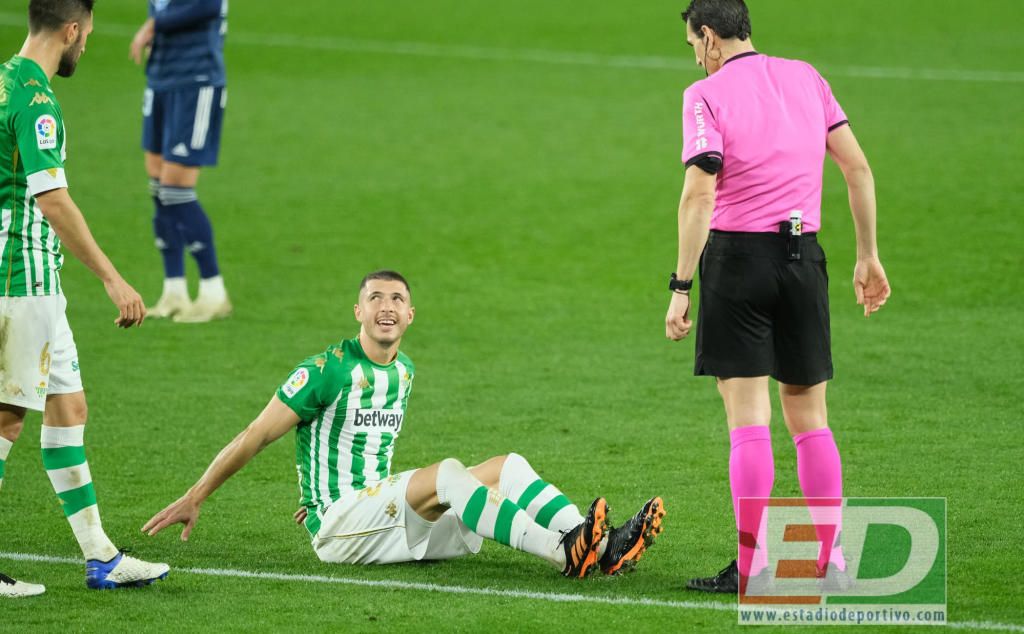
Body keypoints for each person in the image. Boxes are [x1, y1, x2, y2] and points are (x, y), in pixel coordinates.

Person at [144, 270, 665, 577]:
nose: (386, 307)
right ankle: (563, 553)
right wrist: (196, 495)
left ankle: (598, 547)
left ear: (411, 315)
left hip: (380, 518)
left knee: (507, 466)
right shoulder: (325, 370)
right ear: (358, 311)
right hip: (339, 526)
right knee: (449, 474)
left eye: (396, 299)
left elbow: (363, 447)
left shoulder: (405, 371)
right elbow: (255, 435)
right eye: (375, 298)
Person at [664, 0, 891, 594]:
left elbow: (699, 195)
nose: (695, 58)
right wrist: (867, 255)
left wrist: (681, 286)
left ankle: (752, 568)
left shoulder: (704, 94)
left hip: (738, 264)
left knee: (748, 421)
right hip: (803, 261)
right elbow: (858, 170)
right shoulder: (807, 77)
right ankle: (831, 564)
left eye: (693, 45)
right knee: (811, 419)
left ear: (709, 37)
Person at [0, 0, 170, 597]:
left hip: (37, 280)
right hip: (19, 276)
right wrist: (112, 278)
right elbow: (52, 200)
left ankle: (101, 556)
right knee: (6, 417)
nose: (87, 45)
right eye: (88, 34)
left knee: (68, 409)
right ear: (71, 29)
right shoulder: (36, 101)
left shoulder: (5, 80)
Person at [130, 0, 231, 323]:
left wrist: (153, 25)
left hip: (195, 80)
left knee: (176, 187)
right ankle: (174, 291)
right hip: (160, 78)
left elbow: (208, 6)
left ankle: (213, 291)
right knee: (158, 185)